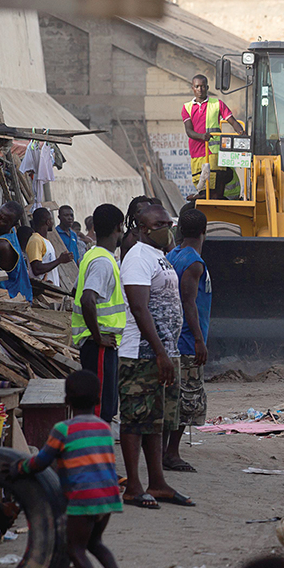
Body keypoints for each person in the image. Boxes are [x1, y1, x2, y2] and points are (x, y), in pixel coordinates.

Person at [4, 370, 139, 568]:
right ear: (97, 400)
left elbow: (41, 462)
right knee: (96, 543)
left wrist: (18, 468)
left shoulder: (62, 429)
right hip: (108, 497)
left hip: (82, 499)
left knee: (75, 549)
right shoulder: (103, 428)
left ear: (67, 400)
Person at [118, 203, 193, 510]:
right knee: (135, 419)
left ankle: (158, 483)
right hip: (141, 355)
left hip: (164, 353)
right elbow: (139, 308)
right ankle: (134, 487)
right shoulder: (136, 256)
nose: (168, 227)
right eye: (160, 224)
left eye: (168, 222)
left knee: (156, 420)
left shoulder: (159, 256)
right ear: (141, 228)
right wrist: (160, 352)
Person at [164, 209, 213, 473]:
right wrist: (198, 340)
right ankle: (172, 453)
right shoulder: (194, 262)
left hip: (172, 338)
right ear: (205, 232)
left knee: (171, 397)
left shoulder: (171, 255)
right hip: (186, 342)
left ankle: (164, 451)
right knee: (187, 398)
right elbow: (188, 302)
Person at [73, 203, 126, 426]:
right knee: (100, 407)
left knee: (103, 403)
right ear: (118, 228)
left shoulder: (92, 255)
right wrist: (98, 337)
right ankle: (94, 454)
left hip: (100, 343)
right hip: (100, 344)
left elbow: (75, 290)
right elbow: (87, 299)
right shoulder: (103, 262)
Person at [183, 74, 245, 200]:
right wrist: (201, 136)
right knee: (200, 180)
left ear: (207, 87)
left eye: (203, 86)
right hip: (196, 152)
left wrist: (241, 132)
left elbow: (232, 121)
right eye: (197, 86)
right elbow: (189, 131)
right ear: (193, 88)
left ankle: (206, 197)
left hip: (214, 152)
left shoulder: (217, 104)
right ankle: (202, 195)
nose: (200, 89)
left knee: (216, 181)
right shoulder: (187, 107)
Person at [0, 201, 33, 302]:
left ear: (14, 224)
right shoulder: (5, 225)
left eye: (3, 220)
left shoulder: (2, 245)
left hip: (9, 298)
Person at [26, 207, 73, 288]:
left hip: (51, 290)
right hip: (43, 292)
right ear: (48, 222)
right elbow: (36, 269)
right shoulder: (35, 240)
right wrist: (59, 260)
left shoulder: (44, 240)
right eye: (51, 220)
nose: (53, 223)